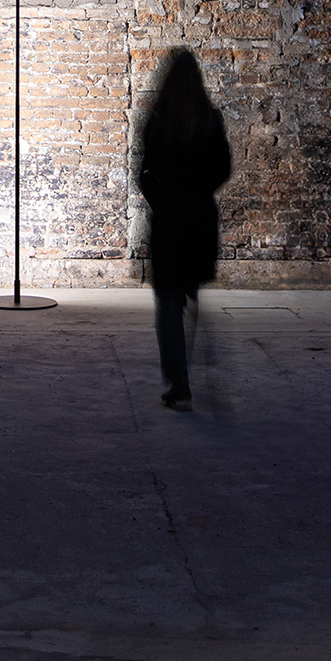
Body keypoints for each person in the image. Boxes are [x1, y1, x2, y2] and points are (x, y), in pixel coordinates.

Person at [137, 46, 233, 410]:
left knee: (169, 303)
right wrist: (199, 193)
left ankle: (180, 386)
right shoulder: (210, 120)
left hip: (169, 222)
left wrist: (164, 201)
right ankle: (199, 362)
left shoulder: (158, 122)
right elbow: (223, 169)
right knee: (189, 293)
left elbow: (145, 174)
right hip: (199, 220)